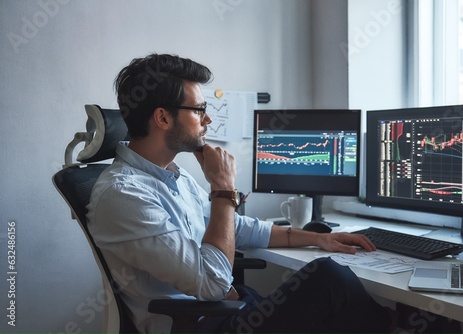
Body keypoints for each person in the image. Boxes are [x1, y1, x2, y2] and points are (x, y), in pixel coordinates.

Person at [87, 53, 397, 333]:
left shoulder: (172, 177)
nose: (207, 120)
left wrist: (317, 238)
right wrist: (223, 189)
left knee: (330, 307)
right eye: (198, 111)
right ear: (163, 118)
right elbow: (212, 282)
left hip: (226, 310)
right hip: (200, 324)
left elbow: (236, 228)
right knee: (329, 281)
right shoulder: (124, 194)